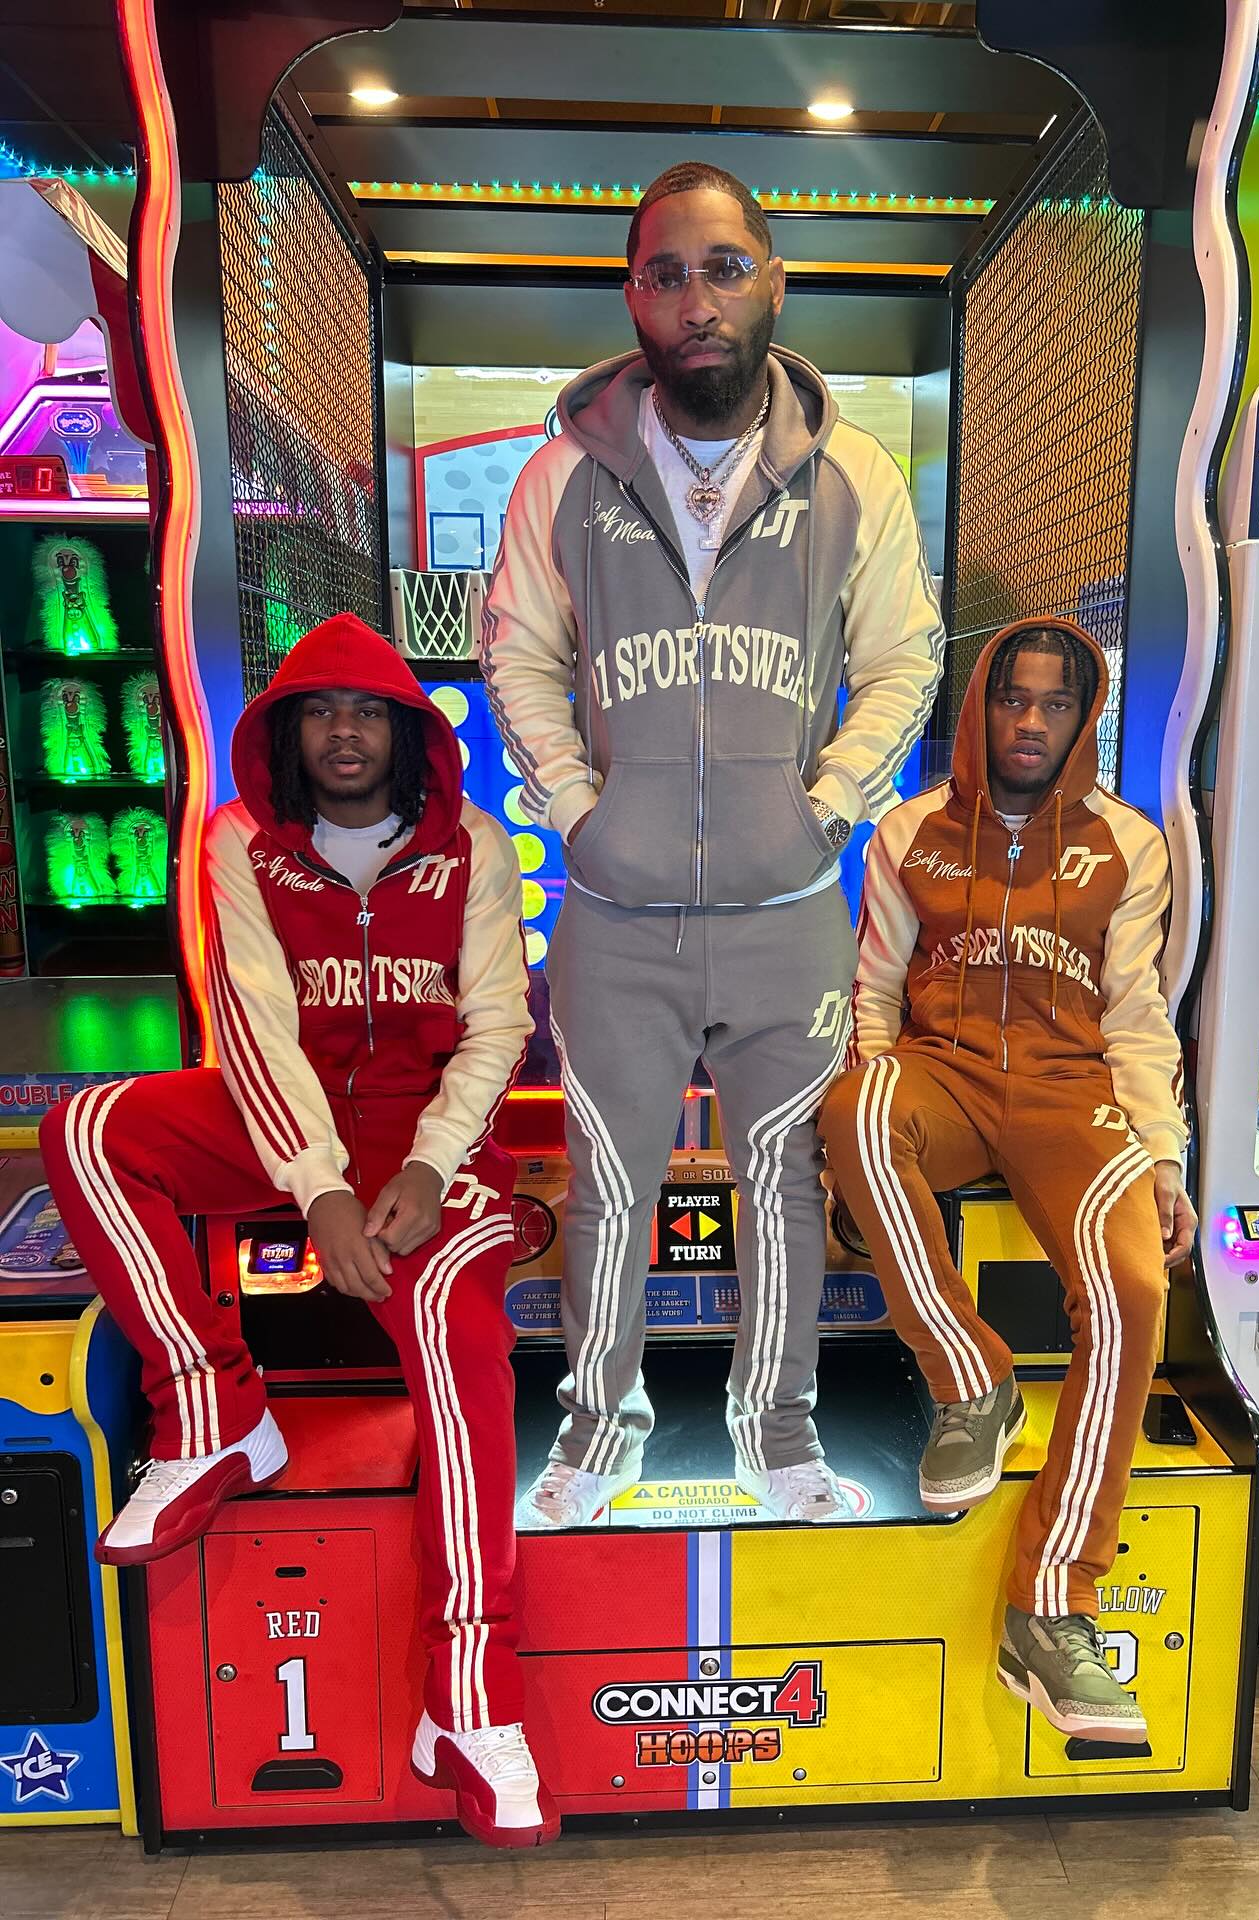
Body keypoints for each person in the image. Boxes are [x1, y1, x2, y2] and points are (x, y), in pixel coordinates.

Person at [39, 614, 559, 1848]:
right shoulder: (239, 842)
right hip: (288, 1118)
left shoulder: (475, 848)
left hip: (426, 1139)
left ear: (408, 732)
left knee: (460, 1339)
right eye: (319, 711)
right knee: (89, 1128)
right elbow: (255, 1025)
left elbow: (499, 1024)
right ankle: (215, 1407)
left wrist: (429, 1165)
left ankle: (469, 1693)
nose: (343, 732)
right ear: (286, 734)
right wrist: (319, 1190)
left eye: (367, 711)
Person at [483, 161, 944, 1526]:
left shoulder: (854, 473)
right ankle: (597, 1436)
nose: (698, 300)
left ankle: (778, 1437)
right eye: (668, 274)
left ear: (774, 283)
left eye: (725, 268)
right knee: (608, 1190)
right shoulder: (561, 475)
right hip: (616, 920)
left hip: (787, 912)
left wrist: (826, 807)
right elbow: (518, 658)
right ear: (633, 294)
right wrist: (582, 813)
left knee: (784, 1189)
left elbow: (905, 660)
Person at [818, 617, 1198, 1745]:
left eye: (1055, 704)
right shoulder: (909, 832)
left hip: (1070, 1094)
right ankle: (972, 1380)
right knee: (853, 1109)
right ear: (980, 706)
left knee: (1135, 1292)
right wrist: (867, 1126)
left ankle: (1051, 1604)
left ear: (1085, 720)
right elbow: (873, 993)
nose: (1030, 722)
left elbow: (1137, 1012)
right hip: (941, 1074)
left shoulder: (1130, 843)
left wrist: (1162, 1151)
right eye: (1012, 699)